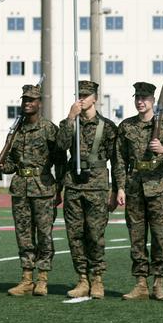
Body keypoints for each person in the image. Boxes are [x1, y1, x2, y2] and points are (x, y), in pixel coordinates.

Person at [55, 80, 122, 299]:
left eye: (86, 95)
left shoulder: (108, 127)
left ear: (95, 98)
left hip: (97, 186)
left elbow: (117, 160)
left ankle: (97, 279)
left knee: (95, 234)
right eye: (79, 95)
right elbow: (61, 146)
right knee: (75, 235)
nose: (81, 99)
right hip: (74, 185)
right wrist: (70, 117)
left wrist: (118, 189)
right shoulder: (70, 123)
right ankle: (82, 279)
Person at [116, 82, 163, 301]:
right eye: (137, 98)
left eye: (144, 98)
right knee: (136, 238)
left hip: (157, 188)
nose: (140, 102)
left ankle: (158, 283)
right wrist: (120, 187)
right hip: (134, 187)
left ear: (153, 101)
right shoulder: (126, 126)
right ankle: (140, 283)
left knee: (159, 236)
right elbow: (119, 160)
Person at [0, 84, 61, 296]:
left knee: (44, 235)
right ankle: (26, 278)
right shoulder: (15, 131)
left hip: (43, 187)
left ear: (39, 103)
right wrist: (0, 164)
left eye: (32, 100)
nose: (27, 104)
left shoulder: (49, 129)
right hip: (20, 189)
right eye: (25, 100)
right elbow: (10, 165)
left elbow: (60, 161)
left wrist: (59, 188)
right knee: (23, 236)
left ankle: (42, 278)